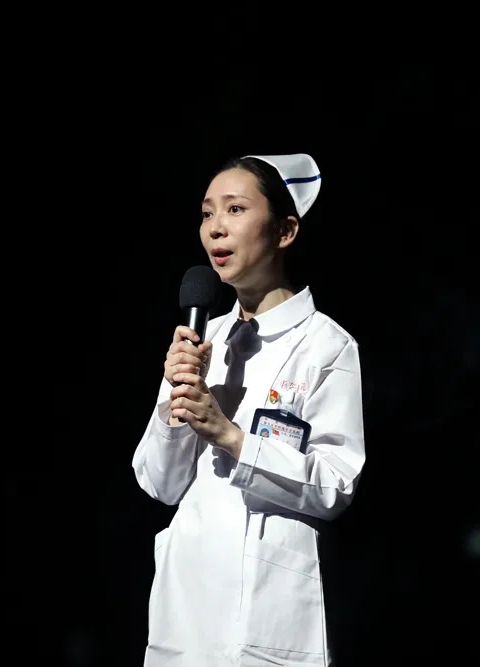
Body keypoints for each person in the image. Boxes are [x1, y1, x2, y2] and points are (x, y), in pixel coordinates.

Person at [132, 153, 366, 667]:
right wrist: (175, 405)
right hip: (184, 617)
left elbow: (336, 485)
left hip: (267, 619)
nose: (215, 228)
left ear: (285, 231)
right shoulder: (200, 340)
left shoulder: (327, 346)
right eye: (206, 213)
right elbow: (159, 484)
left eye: (235, 209)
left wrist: (231, 436)